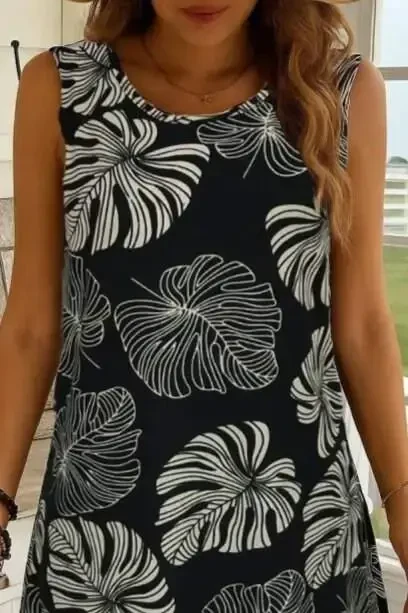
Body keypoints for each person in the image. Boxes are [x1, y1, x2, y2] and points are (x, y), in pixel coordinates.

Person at [0, 0, 407, 610]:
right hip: (104, 546)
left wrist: (402, 510)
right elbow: (29, 329)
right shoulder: (61, 90)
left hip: (303, 536)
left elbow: (365, 327)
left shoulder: (341, 94)